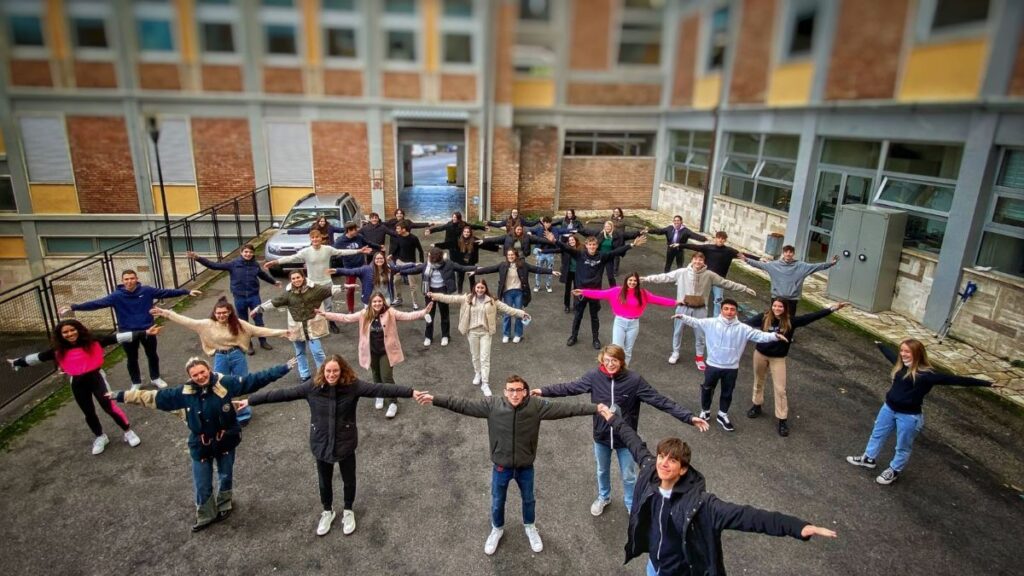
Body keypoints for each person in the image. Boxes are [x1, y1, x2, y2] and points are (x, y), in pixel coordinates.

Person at [596, 407, 837, 575]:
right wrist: (614, 420)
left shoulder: (702, 505)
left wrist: (797, 527)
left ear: (683, 469)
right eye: (662, 456)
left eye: (672, 460)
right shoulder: (650, 472)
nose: (663, 463)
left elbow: (749, 517)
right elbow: (634, 441)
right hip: (654, 566)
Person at [237, 354, 426, 536]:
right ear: (323, 371)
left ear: (342, 371)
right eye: (328, 371)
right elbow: (283, 394)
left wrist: (411, 392)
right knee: (324, 481)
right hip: (321, 443)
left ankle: (348, 510)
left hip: (345, 442)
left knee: (348, 479)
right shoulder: (312, 387)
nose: (331, 375)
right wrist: (250, 400)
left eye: (335, 371)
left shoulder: (353, 386)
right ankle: (327, 511)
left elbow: (381, 389)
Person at [416, 376, 601, 556]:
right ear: (505, 392)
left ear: (525, 392)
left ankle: (530, 527)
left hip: (525, 467)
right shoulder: (492, 405)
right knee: (497, 501)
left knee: (528, 499)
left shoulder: (536, 407)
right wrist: (434, 399)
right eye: (511, 390)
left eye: (518, 390)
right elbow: (462, 404)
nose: (514, 394)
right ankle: (497, 529)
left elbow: (567, 409)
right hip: (501, 467)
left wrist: (596, 408)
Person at [113, 357, 298, 531]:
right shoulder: (183, 393)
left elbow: (255, 380)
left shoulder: (225, 384)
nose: (200, 377)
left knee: (225, 475)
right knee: (202, 482)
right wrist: (121, 395)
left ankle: (225, 504)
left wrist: (283, 368)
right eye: (195, 375)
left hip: (225, 440)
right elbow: (151, 397)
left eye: (203, 372)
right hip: (200, 445)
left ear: (209, 369)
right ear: (190, 376)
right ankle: (206, 515)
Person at [532, 344, 707, 517]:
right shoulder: (594, 376)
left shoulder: (634, 381)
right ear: (601, 360)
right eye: (607, 360)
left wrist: (689, 417)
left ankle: (631, 502)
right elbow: (569, 388)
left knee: (629, 475)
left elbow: (661, 401)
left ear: (621, 361)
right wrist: (543, 391)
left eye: (614, 360)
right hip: (601, 436)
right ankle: (604, 497)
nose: (610, 364)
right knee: (602, 470)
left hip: (625, 439)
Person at [846, 339, 994, 485]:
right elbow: (890, 355)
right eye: (902, 350)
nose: (903, 354)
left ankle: (894, 470)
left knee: (902, 446)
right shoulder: (900, 366)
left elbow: (956, 380)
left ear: (917, 354)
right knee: (877, 434)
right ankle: (868, 459)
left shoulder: (927, 375)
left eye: (907, 351)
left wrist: (986, 383)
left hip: (908, 416)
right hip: (888, 409)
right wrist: (880, 345)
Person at [7, 320, 158, 455]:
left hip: (96, 378)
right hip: (78, 382)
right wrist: (18, 362)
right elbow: (38, 357)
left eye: (72, 330)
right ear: (60, 335)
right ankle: (100, 437)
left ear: (79, 329)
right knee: (88, 412)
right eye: (65, 332)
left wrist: (144, 332)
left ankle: (128, 432)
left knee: (109, 407)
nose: (70, 334)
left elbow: (118, 337)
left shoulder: (94, 341)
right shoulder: (58, 350)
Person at [150, 298, 292, 425]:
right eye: (218, 313)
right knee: (218, 386)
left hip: (237, 356)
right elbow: (186, 320)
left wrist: (283, 333)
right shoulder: (206, 324)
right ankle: (222, 412)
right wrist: (166, 313)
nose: (221, 315)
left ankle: (243, 413)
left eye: (224, 312)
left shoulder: (239, 324)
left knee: (241, 384)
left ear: (230, 312)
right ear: (214, 313)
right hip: (220, 357)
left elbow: (259, 331)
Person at [60, 269, 200, 390]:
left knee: (152, 355)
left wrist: (186, 291)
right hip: (127, 333)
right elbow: (97, 303)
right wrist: (74, 307)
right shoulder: (117, 296)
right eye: (126, 279)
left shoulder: (146, 291)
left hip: (148, 329)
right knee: (132, 358)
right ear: (122, 281)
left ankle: (155, 377)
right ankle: (136, 382)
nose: (129, 281)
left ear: (137, 279)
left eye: (132, 278)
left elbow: (166, 292)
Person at [672, 299, 786, 432]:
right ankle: (705, 411)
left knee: (727, 392)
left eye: (732, 309)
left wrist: (774, 336)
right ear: (721, 310)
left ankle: (722, 414)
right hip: (712, 365)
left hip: (731, 367)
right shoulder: (711, 323)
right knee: (707, 389)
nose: (729, 312)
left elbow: (759, 335)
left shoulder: (743, 328)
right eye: (726, 309)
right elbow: (696, 322)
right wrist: (682, 317)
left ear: (736, 312)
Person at [744, 299, 848, 436]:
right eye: (774, 305)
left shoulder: (790, 321)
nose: (777, 308)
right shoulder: (763, 317)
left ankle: (782, 419)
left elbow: (811, 317)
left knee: (780, 389)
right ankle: (756, 405)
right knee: (759, 381)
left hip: (778, 358)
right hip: (760, 355)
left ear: (785, 308)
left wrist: (832, 309)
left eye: (780, 306)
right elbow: (744, 325)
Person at [321, 292, 431, 419]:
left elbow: (407, 316)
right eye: (374, 302)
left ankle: (392, 402)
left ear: (383, 302)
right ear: (370, 303)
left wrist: (423, 312)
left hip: (386, 352)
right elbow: (346, 318)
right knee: (376, 374)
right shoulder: (364, 314)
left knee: (386, 377)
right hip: (371, 351)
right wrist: (326, 315)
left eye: (379, 301)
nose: (377, 304)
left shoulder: (391, 312)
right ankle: (379, 394)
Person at [642, 251, 755, 369]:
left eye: (700, 260)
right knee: (678, 331)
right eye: (695, 259)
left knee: (700, 334)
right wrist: (647, 279)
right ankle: (675, 352)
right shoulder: (682, 272)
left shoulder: (709, 275)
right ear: (691, 260)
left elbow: (725, 283)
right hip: (683, 307)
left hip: (700, 309)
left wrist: (744, 288)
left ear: (704, 262)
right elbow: (664, 277)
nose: (697, 262)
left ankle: (699, 357)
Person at [427, 279, 529, 396]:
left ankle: (485, 383)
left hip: (485, 332)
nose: (480, 290)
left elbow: (507, 308)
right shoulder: (467, 298)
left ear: (486, 289)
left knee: (484, 358)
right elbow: (450, 298)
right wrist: (435, 295)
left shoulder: (492, 301)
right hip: (472, 332)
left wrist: (521, 313)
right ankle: (477, 373)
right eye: (478, 288)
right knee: (475, 356)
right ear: (474, 288)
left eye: (482, 288)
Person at [551, 233, 646, 349]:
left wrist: (632, 244)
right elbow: (566, 248)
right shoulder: (580, 254)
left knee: (594, 316)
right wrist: (555, 240)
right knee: (578, 315)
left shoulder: (602, 256)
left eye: (594, 245)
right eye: (589, 244)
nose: (592, 247)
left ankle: (595, 339)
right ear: (586, 245)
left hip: (595, 293)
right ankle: (573, 336)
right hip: (581, 292)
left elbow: (615, 252)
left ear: (597, 246)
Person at [264, 229, 370, 333]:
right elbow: (291, 258)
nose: (315, 239)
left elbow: (342, 251)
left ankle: (331, 323)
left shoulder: (327, 249)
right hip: (312, 284)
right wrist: (275, 262)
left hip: (327, 282)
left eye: (317, 237)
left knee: (329, 306)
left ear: (321, 238)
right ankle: (313, 326)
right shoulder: (306, 251)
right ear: (311, 239)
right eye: (313, 237)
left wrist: (359, 251)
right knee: (313, 306)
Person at [251, 270, 345, 382]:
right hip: (296, 328)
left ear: (303, 277)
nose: (296, 280)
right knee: (300, 353)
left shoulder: (314, 289)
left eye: (298, 277)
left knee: (318, 352)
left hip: (312, 328)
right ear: (291, 281)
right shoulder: (288, 294)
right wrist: (258, 309)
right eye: (293, 278)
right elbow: (274, 302)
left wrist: (345, 287)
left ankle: (322, 375)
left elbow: (329, 290)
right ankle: (304, 375)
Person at [187, 245, 281, 353]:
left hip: (254, 296)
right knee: (243, 322)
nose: (248, 254)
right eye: (246, 252)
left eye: (250, 252)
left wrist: (274, 282)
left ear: (253, 253)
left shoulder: (255, 265)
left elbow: (262, 275)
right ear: (241, 252)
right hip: (239, 297)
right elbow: (214, 266)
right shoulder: (233, 264)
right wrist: (198, 258)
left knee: (258, 319)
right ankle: (248, 344)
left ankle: (263, 341)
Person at [574, 273, 681, 365]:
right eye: (630, 280)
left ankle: (624, 371)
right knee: (617, 349)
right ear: (626, 281)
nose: (632, 282)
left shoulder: (642, 293)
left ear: (638, 282)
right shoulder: (616, 291)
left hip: (634, 324)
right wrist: (583, 292)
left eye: (635, 280)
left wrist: (675, 302)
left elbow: (658, 300)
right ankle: (614, 370)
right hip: (620, 322)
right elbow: (599, 294)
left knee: (628, 350)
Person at [473, 248, 557, 344]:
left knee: (519, 313)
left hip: (519, 292)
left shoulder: (523, 265)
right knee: (507, 314)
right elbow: (489, 269)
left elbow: (536, 269)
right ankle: (506, 334)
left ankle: (518, 334)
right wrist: (475, 272)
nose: (510, 256)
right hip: (507, 292)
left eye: (512, 255)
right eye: (509, 255)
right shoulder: (502, 265)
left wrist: (551, 271)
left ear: (516, 255)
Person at [402, 247, 477, 347]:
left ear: (436, 258)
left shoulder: (448, 264)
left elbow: (462, 268)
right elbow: (415, 270)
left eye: (429, 256)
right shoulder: (426, 265)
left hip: (442, 292)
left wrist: (476, 269)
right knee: (429, 314)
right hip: (429, 292)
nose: (427, 257)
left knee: (444, 314)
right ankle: (428, 336)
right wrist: (401, 271)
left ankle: (445, 336)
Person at [739, 245, 839, 317]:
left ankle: (787, 335)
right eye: (786, 252)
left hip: (792, 299)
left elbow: (817, 266)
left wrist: (831, 264)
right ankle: (773, 332)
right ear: (783, 253)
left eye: (790, 252)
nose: (788, 254)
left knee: (790, 318)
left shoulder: (802, 266)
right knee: (775, 317)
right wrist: (746, 259)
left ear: (793, 254)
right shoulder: (774, 265)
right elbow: (760, 265)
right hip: (777, 297)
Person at [678, 231, 761, 316]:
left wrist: (759, 259)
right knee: (698, 297)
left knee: (718, 300)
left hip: (719, 280)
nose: (720, 240)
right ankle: (694, 314)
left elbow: (744, 255)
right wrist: (680, 245)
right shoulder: (708, 248)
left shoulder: (730, 251)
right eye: (719, 238)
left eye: (723, 239)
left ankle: (716, 319)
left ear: (725, 240)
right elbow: (694, 246)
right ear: (715, 238)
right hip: (706, 278)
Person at [329, 251, 417, 307]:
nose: (379, 260)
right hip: (371, 300)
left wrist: (414, 264)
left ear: (384, 260)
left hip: (386, 299)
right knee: (370, 322)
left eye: (381, 258)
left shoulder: (389, 268)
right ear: (374, 260)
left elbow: (400, 268)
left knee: (384, 321)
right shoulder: (366, 269)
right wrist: (337, 270)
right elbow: (351, 271)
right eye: (377, 258)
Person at [332, 223, 383, 313]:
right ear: (349, 231)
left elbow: (368, 243)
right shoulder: (340, 241)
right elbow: (333, 252)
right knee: (350, 289)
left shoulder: (359, 237)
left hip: (362, 266)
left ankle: (368, 307)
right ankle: (350, 310)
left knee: (368, 286)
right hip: (350, 269)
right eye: (355, 230)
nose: (357, 231)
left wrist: (379, 247)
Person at [579, 220, 646, 287]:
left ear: (612, 227)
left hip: (609, 257)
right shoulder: (600, 234)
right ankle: (594, 289)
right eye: (605, 226)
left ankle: (614, 289)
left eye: (608, 226)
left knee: (610, 276)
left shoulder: (618, 234)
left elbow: (629, 234)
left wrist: (639, 233)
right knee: (596, 275)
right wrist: (578, 229)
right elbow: (587, 231)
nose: (607, 228)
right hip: (599, 257)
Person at [388, 220, 425, 309]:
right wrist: (391, 255)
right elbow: (396, 249)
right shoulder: (398, 237)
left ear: (404, 229)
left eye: (398, 228)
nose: (396, 230)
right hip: (400, 262)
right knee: (396, 281)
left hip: (411, 264)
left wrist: (421, 262)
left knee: (412, 285)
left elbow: (420, 250)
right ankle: (399, 299)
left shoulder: (413, 238)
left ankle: (415, 303)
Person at [447, 225, 482, 292]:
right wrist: (436, 245)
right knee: (460, 280)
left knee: (471, 279)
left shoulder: (475, 240)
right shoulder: (459, 240)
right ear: (462, 232)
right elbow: (447, 244)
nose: (466, 233)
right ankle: (460, 294)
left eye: (468, 232)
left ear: (470, 233)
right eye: (465, 232)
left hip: (471, 263)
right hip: (460, 263)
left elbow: (484, 244)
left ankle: (473, 294)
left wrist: (496, 248)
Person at [557, 234, 582, 313]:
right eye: (570, 240)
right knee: (567, 290)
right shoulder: (566, 249)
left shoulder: (580, 249)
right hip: (568, 272)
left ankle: (576, 305)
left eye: (573, 240)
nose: (571, 241)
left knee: (577, 289)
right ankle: (567, 305)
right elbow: (556, 249)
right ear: (568, 242)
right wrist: (543, 251)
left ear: (576, 241)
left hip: (577, 272)